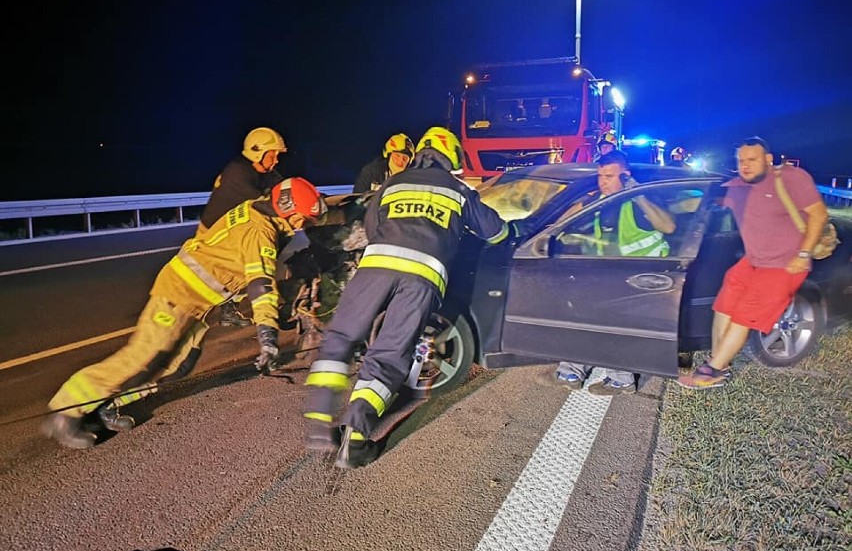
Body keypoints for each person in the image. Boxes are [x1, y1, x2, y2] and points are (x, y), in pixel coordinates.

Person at [41, 178, 328, 449]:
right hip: (179, 294)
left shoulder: (263, 208)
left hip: (201, 302)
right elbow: (260, 284)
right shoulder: (260, 233)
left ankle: (108, 404)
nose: (303, 225)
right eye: (302, 218)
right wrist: (268, 335)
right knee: (141, 359)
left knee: (178, 365)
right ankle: (66, 411)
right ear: (289, 211)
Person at [302, 127, 509, 468]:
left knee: (339, 339)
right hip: (421, 278)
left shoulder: (392, 184)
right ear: (452, 156)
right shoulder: (459, 190)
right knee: (389, 354)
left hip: (374, 270)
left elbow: (371, 227)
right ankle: (355, 439)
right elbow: (496, 231)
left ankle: (320, 425)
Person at [677, 137, 828, 389]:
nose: (745, 165)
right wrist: (664, 201)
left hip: (784, 264)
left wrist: (803, 254)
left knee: (744, 315)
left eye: (752, 160)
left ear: (768, 160)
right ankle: (719, 362)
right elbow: (699, 203)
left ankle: (712, 372)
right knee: (724, 305)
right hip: (753, 261)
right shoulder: (738, 187)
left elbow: (818, 214)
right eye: (741, 161)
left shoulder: (790, 178)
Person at [553, 150, 676, 395]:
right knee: (580, 309)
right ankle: (573, 369)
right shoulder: (601, 201)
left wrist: (638, 194)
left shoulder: (640, 202)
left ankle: (620, 379)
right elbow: (563, 221)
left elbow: (668, 226)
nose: (602, 182)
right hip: (613, 274)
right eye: (600, 176)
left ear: (626, 176)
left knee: (605, 318)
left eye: (609, 176)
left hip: (648, 277)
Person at [199, 127, 287, 326]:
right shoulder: (238, 173)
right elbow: (266, 204)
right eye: (272, 155)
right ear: (258, 152)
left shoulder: (267, 173)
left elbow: (284, 189)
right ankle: (199, 316)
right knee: (219, 277)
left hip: (234, 229)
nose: (276, 160)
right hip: (214, 232)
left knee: (240, 273)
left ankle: (228, 311)